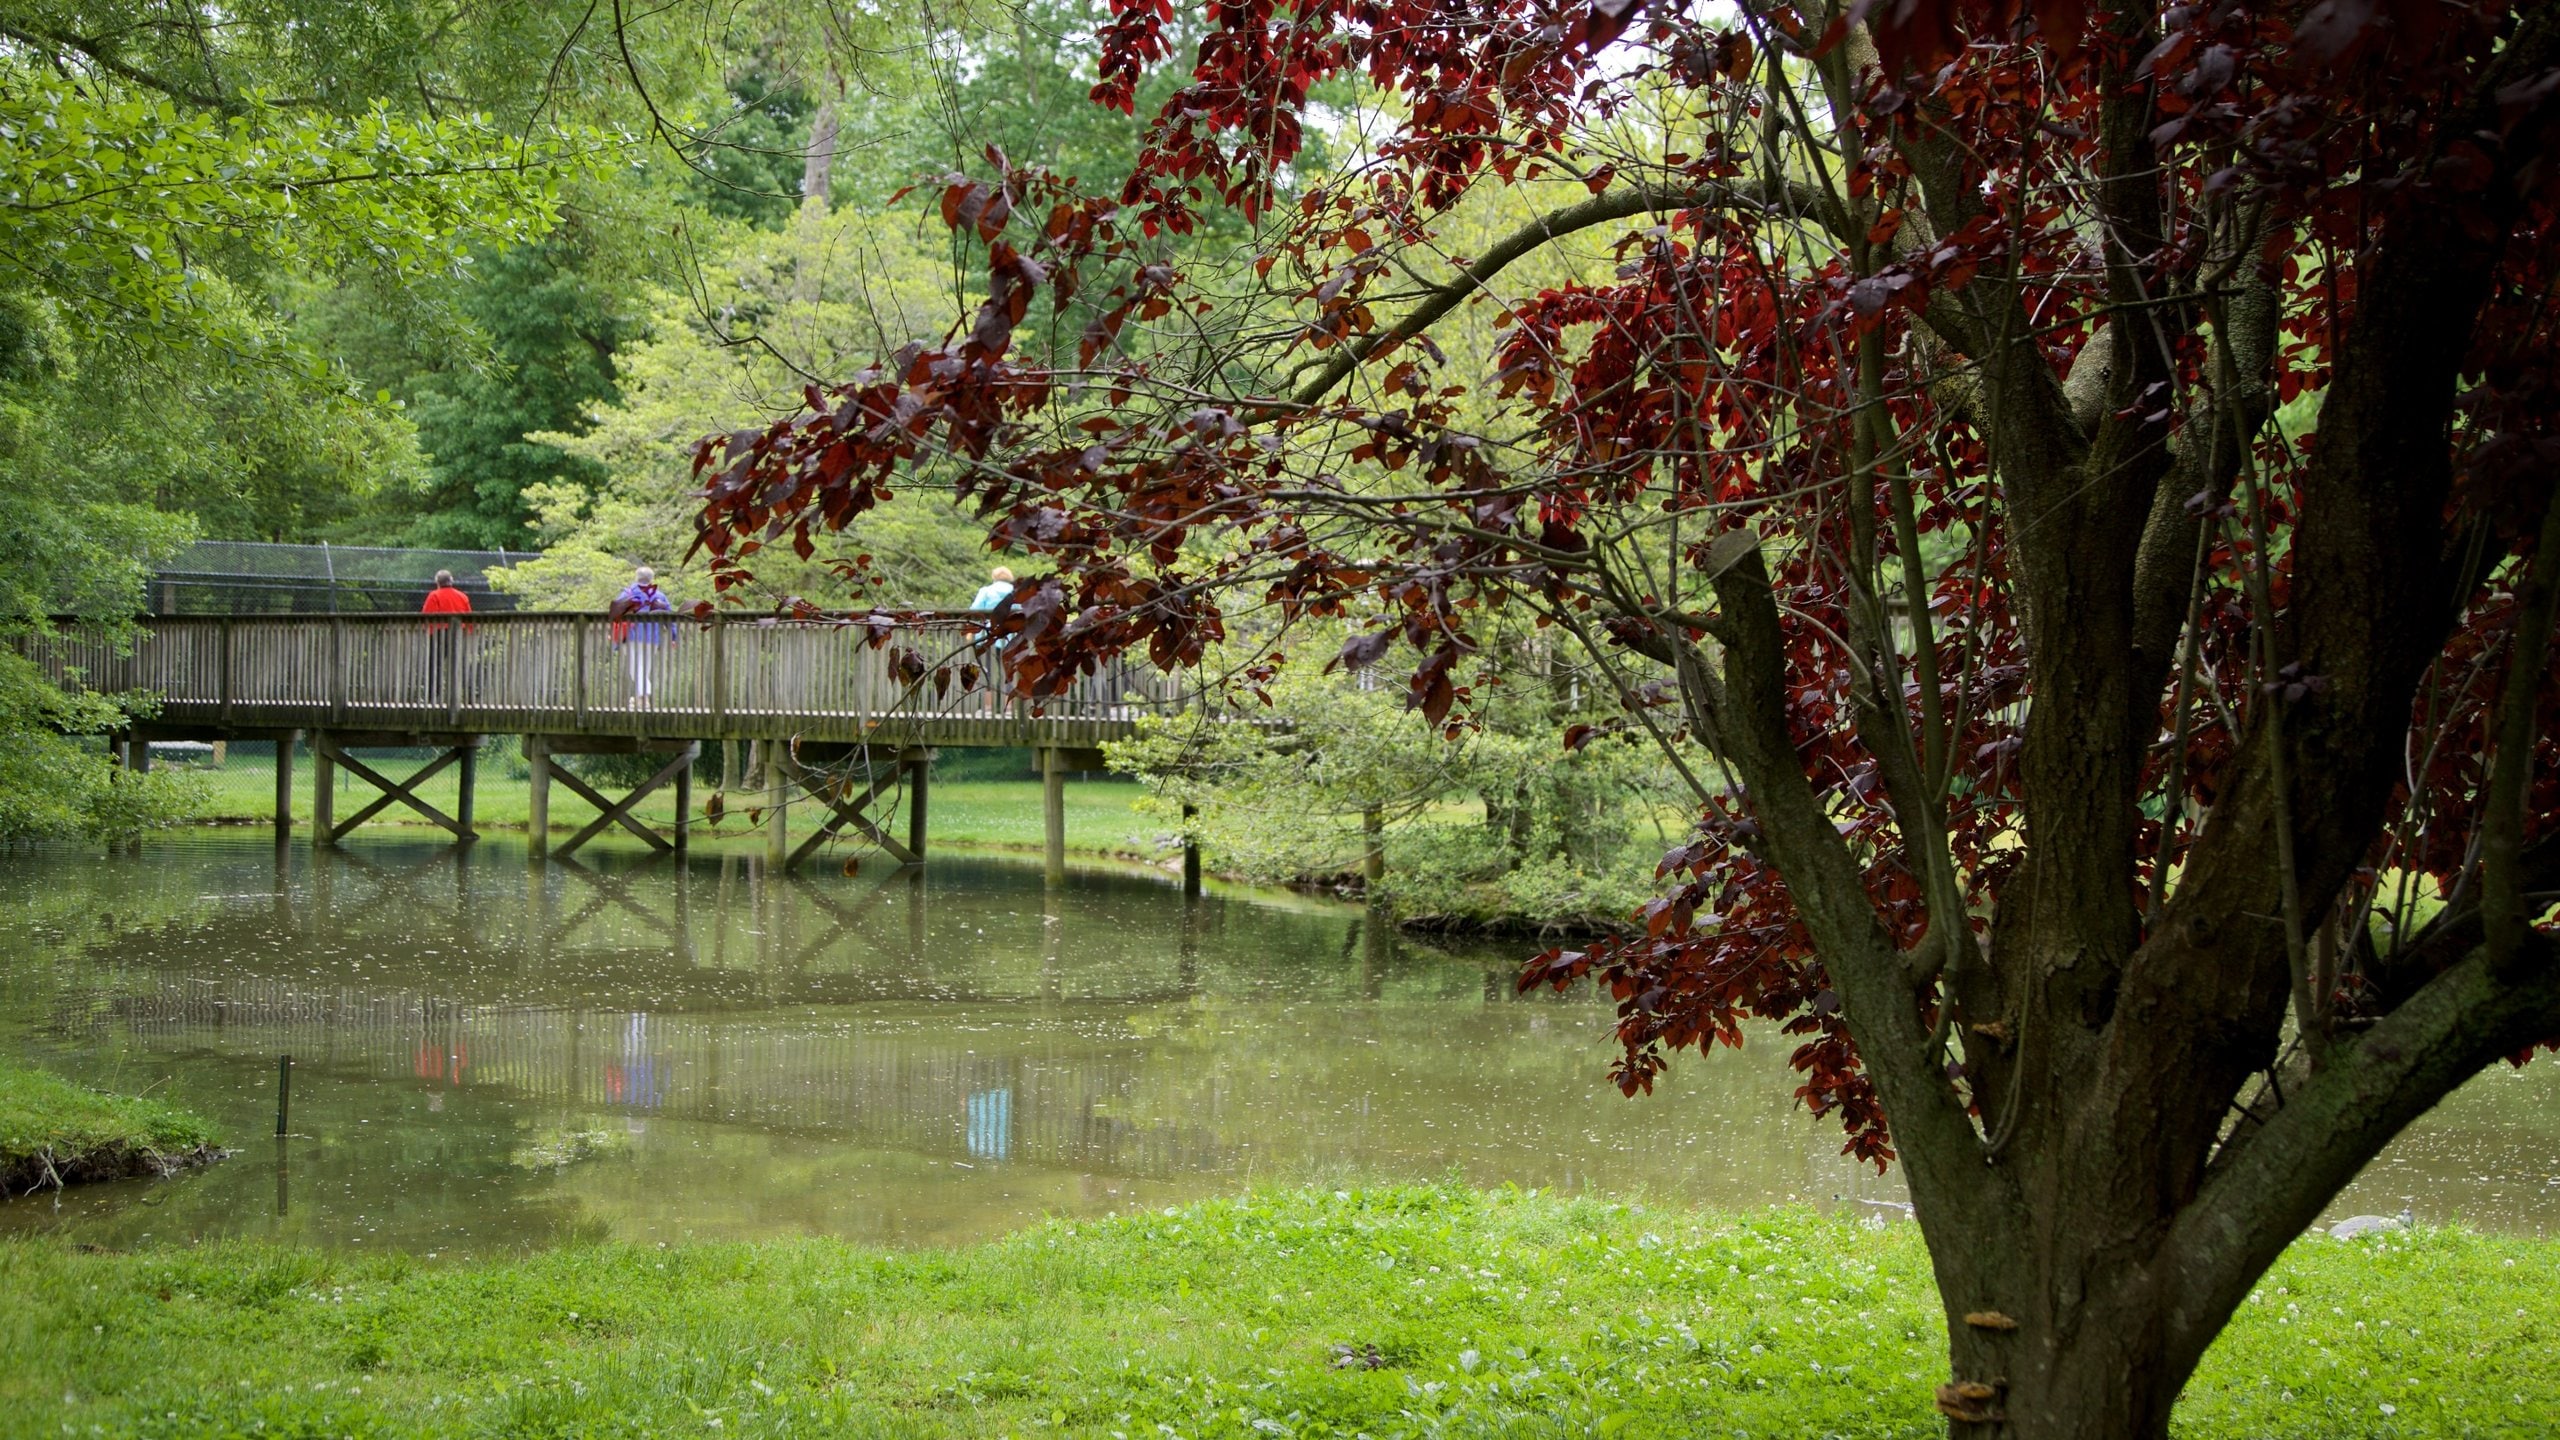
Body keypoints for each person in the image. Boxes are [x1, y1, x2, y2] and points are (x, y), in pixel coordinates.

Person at [610, 566, 674, 707]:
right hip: (653, 637)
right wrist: (673, 637)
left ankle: (643, 697)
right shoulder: (659, 596)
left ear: (636, 577)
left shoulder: (628, 593)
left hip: (632, 636)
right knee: (644, 668)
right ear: (651, 579)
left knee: (636, 668)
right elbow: (670, 616)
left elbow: (615, 613)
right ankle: (642, 698)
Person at [421, 569, 473, 702]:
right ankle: (461, 695)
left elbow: (427, 616)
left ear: (437, 582)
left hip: (439, 634)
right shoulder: (462, 596)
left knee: (435, 665)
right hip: (458, 634)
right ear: (451, 581)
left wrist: (427, 631)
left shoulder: (434, 595)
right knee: (457, 664)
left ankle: (433, 695)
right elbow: (469, 618)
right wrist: (469, 632)